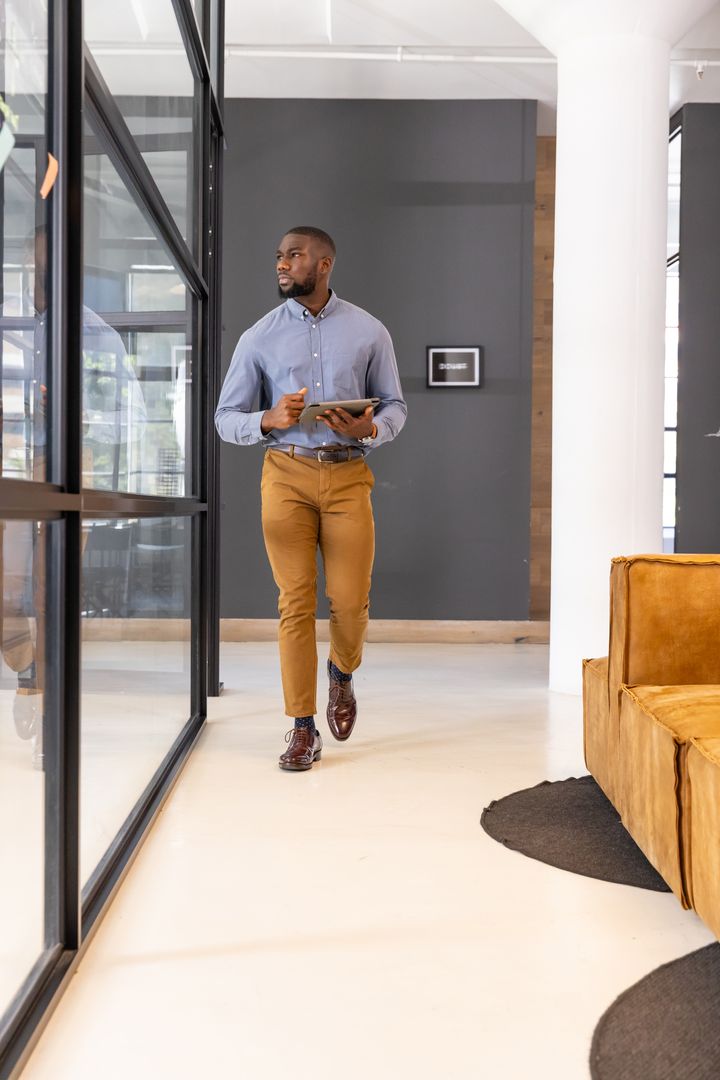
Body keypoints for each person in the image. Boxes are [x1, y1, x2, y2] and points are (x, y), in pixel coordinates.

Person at [215, 226, 407, 771]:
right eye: (278, 256)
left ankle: (341, 674)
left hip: (348, 477)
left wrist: (369, 429)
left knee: (350, 602)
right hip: (285, 476)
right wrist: (266, 419)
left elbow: (395, 406)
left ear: (324, 265)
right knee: (294, 602)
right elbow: (225, 418)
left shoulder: (369, 332)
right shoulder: (258, 337)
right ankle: (302, 727)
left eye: (293, 256)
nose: (282, 264)